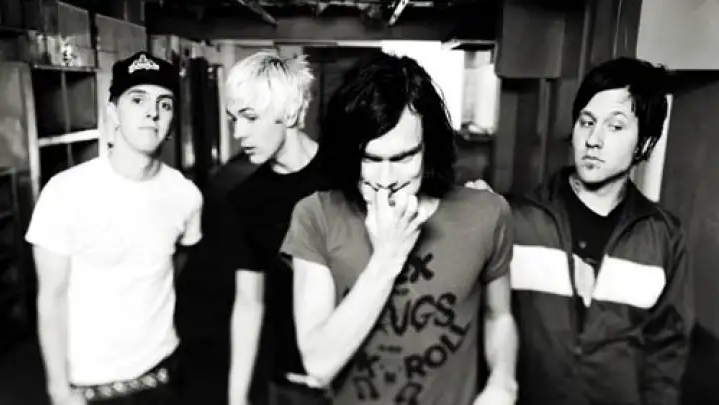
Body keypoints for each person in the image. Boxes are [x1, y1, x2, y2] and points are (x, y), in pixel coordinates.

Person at [280, 51, 518, 405]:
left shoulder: (487, 213)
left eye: (404, 157)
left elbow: (499, 316)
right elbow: (319, 363)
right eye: (371, 159)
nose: (386, 178)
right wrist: (388, 256)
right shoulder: (315, 216)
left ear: (428, 147)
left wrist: (503, 380)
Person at [501, 57, 694, 405]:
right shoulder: (518, 220)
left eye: (615, 126)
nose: (594, 139)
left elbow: (667, 351)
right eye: (587, 122)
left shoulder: (664, 237)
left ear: (644, 144)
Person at [26, 51, 203, 405]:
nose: (152, 112)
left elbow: (173, 265)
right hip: (90, 387)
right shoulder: (66, 192)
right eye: (137, 100)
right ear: (113, 112)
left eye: (164, 104)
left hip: (164, 374)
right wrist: (59, 390)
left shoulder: (186, 196)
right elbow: (51, 299)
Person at [175, 50, 323, 405]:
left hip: (364, 373)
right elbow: (248, 303)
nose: (239, 132)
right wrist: (237, 398)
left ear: (290, 112)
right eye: (233, 119)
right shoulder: (245, 200)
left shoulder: (347, 177)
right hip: (291, 380)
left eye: (250, 117)